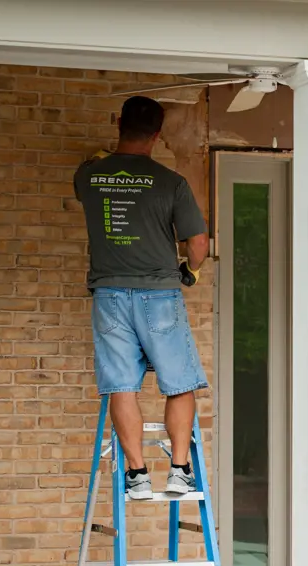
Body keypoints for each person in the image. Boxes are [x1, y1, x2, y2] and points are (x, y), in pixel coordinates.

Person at [74, 96, 210, 500]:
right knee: (179, 382)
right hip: (160, 295)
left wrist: (101, 160)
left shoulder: (89, 176)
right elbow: (198, 243)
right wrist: (191, 270)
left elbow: (89, 170)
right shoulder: (171, 182)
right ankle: (179, 470)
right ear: (157, 133)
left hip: (109, 294)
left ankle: (137, 475)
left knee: (121, 385)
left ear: (119, 122)